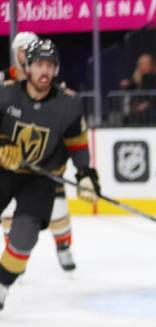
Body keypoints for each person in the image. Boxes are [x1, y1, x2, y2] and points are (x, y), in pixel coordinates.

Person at [0, 40, 99, 311]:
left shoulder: (68, 104)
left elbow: (76, 143)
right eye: (39, 65)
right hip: (4, 171)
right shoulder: (6, 95)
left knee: (24, 238)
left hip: (40, 178)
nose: (44, 71)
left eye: (50, 65)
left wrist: (85, 174)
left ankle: (1, 286)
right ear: (27, 67)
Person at [1, 32, 77, 273]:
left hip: (45, 160)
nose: (24, 52)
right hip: (10, 160)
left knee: (58, 208)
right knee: (11, 213)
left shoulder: (50, 83)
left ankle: (63, 247)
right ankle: (12, 259)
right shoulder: (6, 82)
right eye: (20, 49)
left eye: (28, 47)